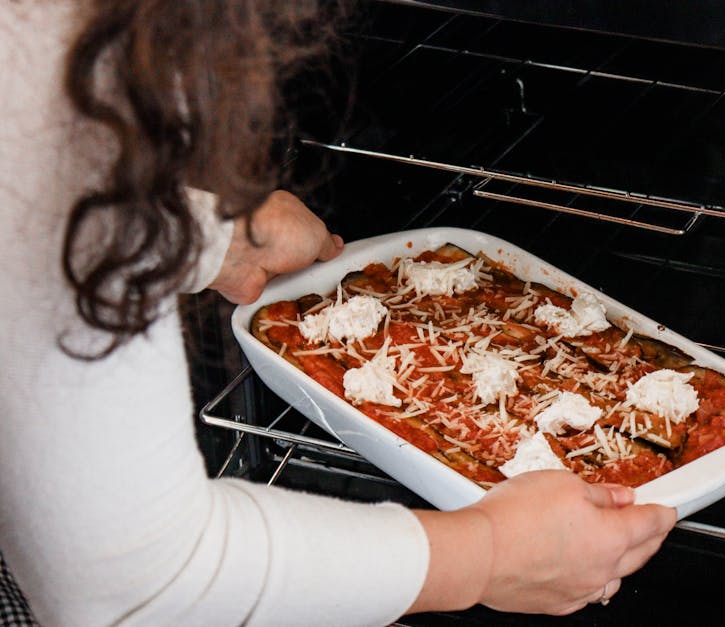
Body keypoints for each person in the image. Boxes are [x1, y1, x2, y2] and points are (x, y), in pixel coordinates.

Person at [0, 2, 676, 625]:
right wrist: (490, 551)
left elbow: (31, 214)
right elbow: (129, 584)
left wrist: (218, 238)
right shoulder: (49, 39)